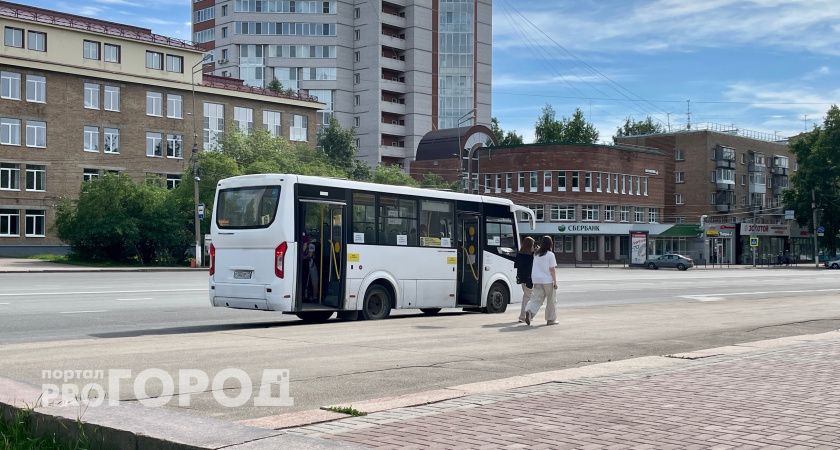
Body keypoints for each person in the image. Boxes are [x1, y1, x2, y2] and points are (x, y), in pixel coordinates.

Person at [523, 235, 558, 326]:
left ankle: (529, 312)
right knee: (551, 300)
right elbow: (552, 270)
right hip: (548, 281)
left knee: (536, 299)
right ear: (550, 244)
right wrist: (555, 282)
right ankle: (551, 320)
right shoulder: (550, 255)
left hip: (537, 280)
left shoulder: (536, 254)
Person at [514, 237, 535, 323]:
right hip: (530, 279)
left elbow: (516, 265)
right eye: (533, 244)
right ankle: (524, 316)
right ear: (530, 245)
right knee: (528, 298)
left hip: (522, 278)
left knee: (527, 297)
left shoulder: (519, 254)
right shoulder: (532, 255)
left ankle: (527, 315)